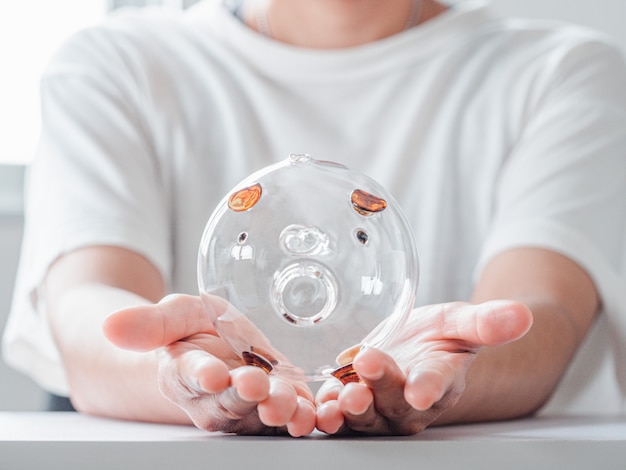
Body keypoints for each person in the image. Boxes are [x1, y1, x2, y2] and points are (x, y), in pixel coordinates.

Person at [3, 0, 626, 436]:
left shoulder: (562, 72)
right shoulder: (118, 61)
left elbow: (543, 316)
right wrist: (188, 377)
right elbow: (86, 311)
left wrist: (429, 379)